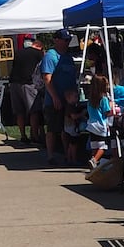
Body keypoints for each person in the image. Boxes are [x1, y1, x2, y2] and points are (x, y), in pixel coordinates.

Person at [41, 29, 80, 161]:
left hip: (69, 100)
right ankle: (50, 155)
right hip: (54, 100)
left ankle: (66, 154)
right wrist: (55, 97)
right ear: (56, 40)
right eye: (65, 40)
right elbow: (47, 78)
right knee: (53, 128)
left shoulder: (68, 57)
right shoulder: (50, 56)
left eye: (69, 40)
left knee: (67, 129)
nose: (67, 43)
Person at [6, 35, 43, 144]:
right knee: (33, 110)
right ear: (39, 47)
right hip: (28, 83)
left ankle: (23, 135)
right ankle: (35, 135)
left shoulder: (19, 52)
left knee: (19, 112)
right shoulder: (38, 54)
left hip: (14, 83)